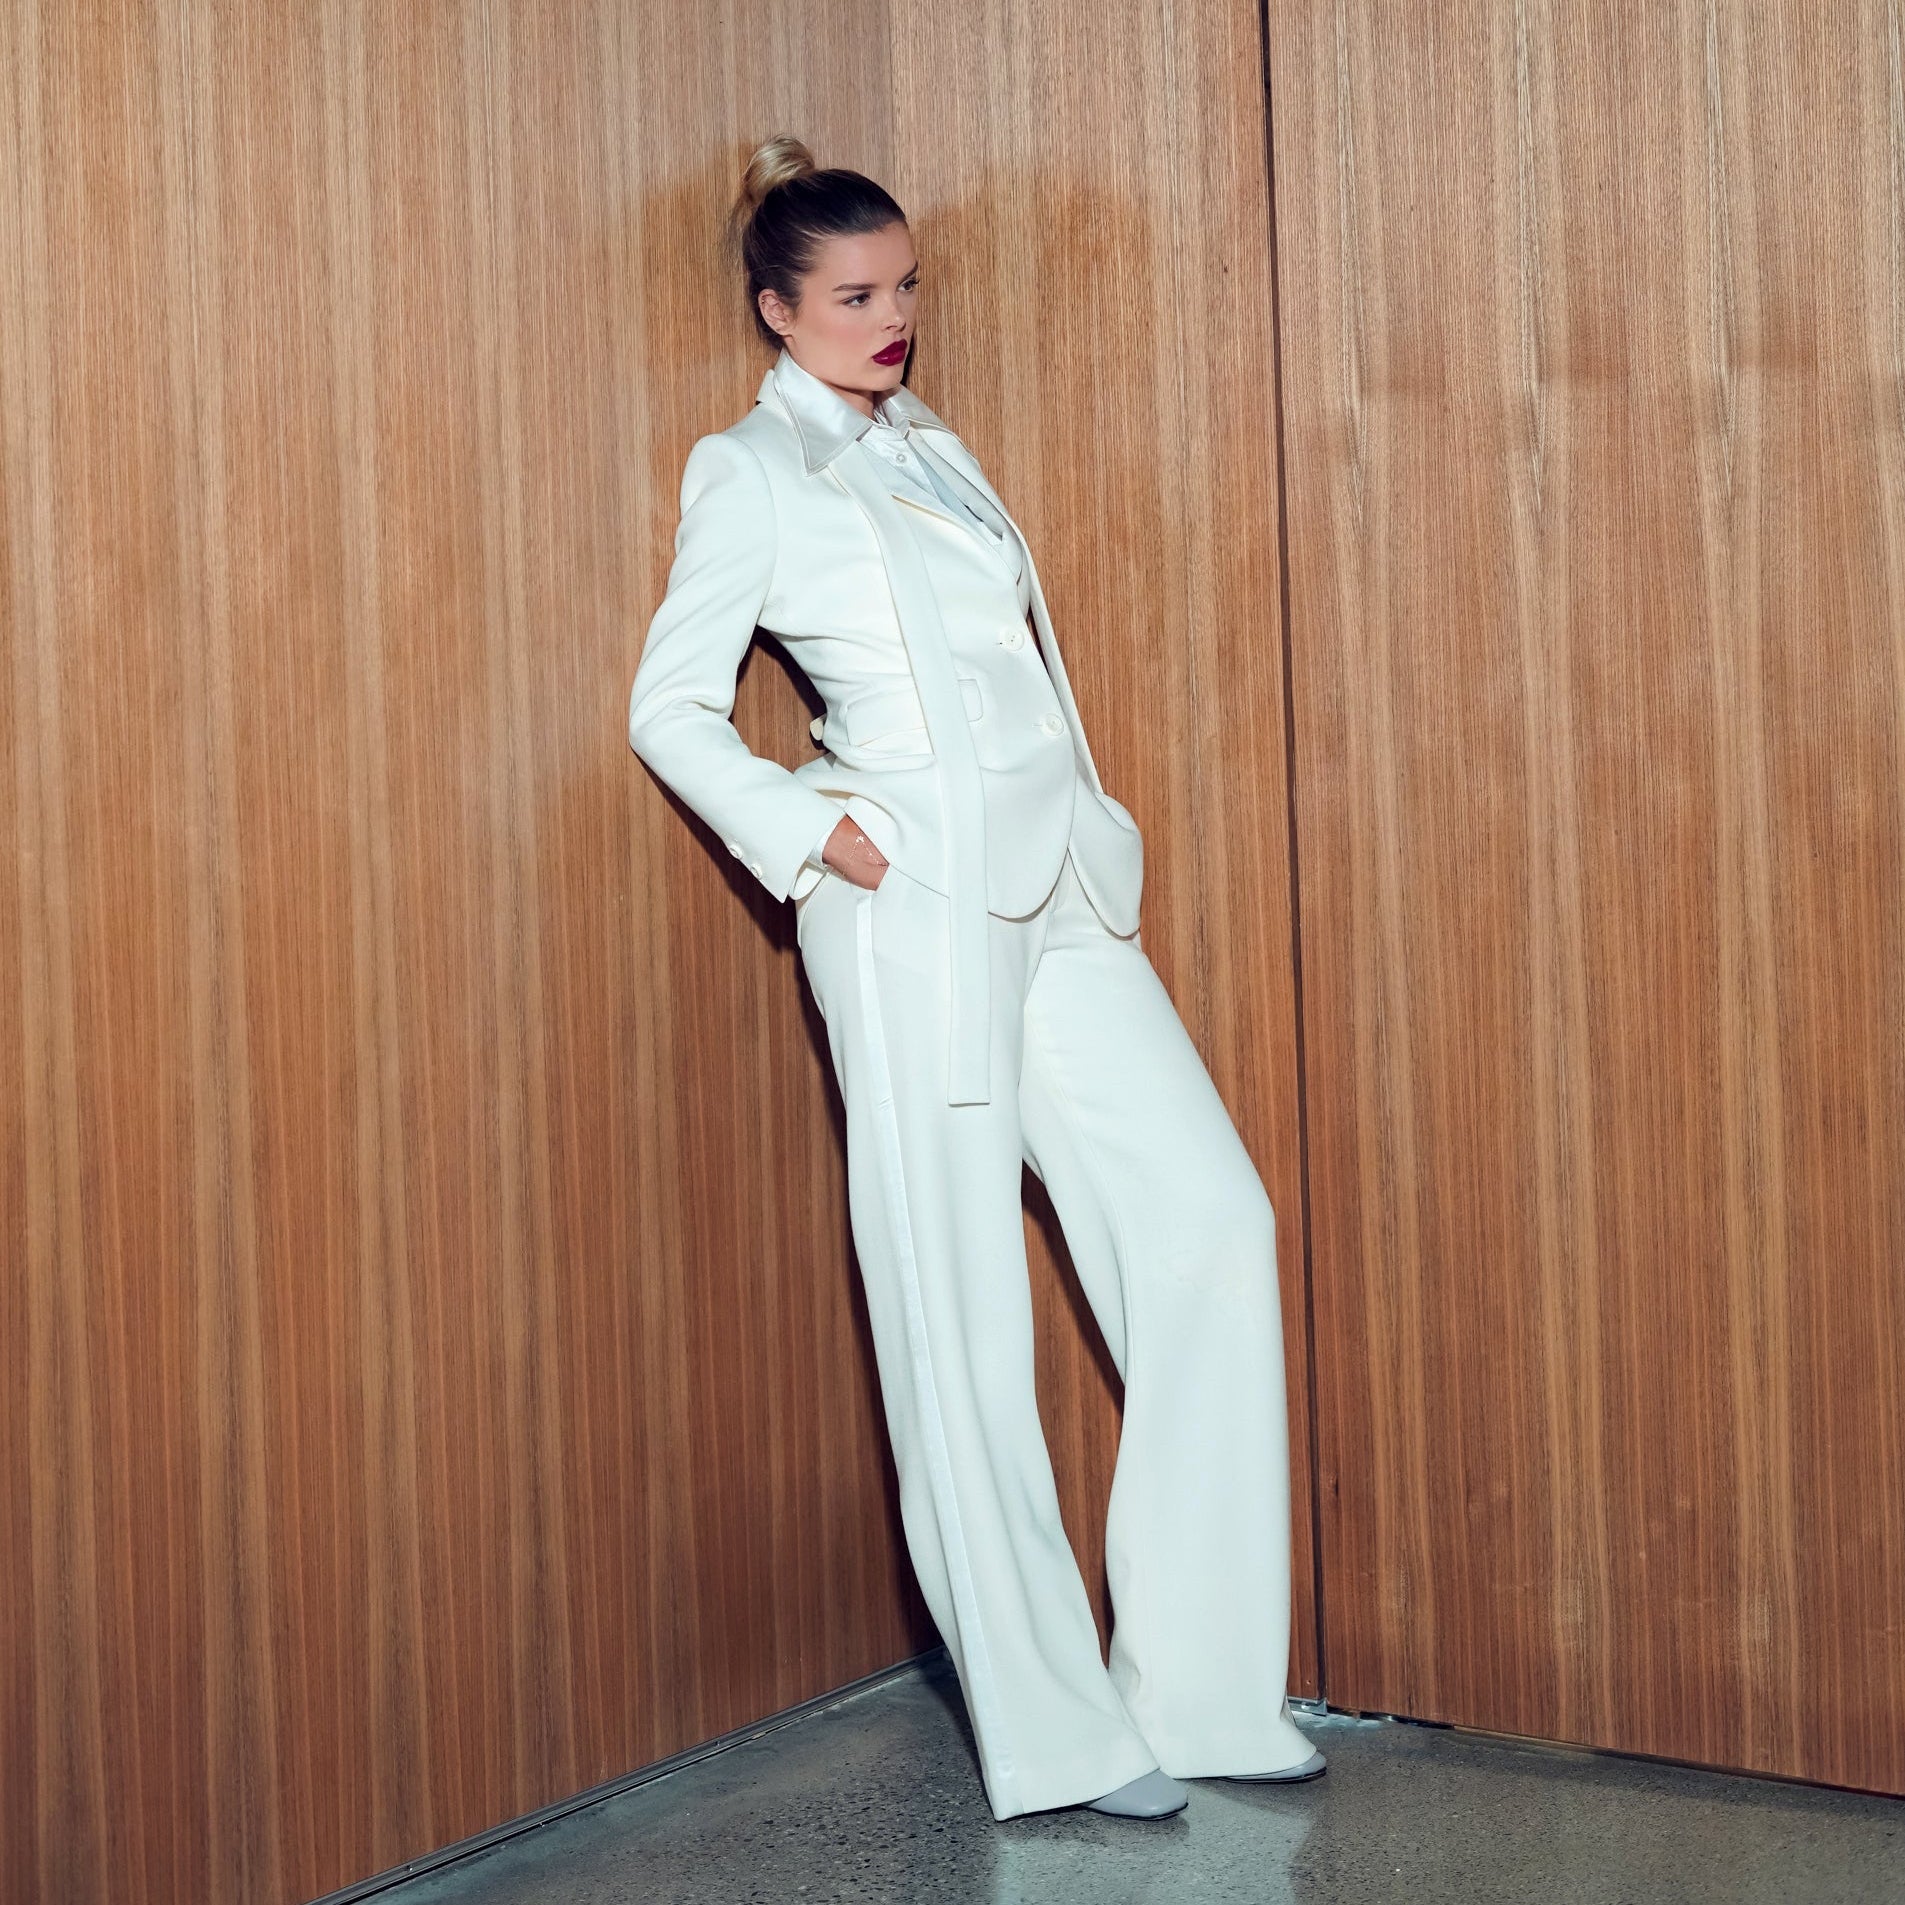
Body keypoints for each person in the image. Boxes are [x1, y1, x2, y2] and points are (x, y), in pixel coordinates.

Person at [627, 135, 1324, 1822]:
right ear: (774, 309)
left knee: (1210, 1228)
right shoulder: (751, 469)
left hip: (1062, 894)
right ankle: (1059, 1734)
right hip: (914, 908)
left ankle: (1209, 1690)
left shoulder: (933, 444)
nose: (890, 317)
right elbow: (670, 703)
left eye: (905, 286)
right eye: (853, 295)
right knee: (957, 1313)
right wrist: (808, 830)